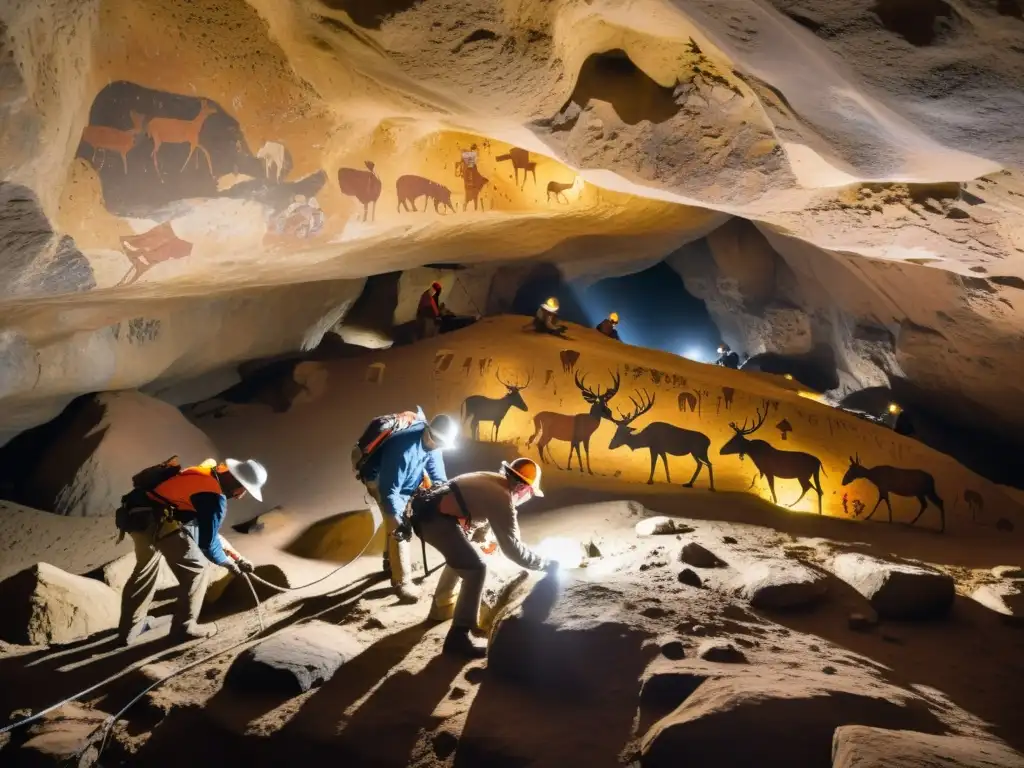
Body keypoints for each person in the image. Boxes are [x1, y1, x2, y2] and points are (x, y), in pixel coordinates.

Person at [416, 457, 557, 658]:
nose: (528, 497)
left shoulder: (492, 480)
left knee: (464, 555)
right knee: (476, 569)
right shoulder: (502, 497)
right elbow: (513, 549)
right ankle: (459, 637)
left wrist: (486, 540)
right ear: (524, 488)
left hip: (428, 513)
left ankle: (441, 609)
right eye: (530, 492)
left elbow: (475, 511)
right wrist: (544, 564)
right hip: (435, 521)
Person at [118, 458, 267, 646]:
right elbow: (208, 542)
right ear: (237, 482)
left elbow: (206, 531)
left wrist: (236, 556)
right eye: (244, 489)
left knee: (144, 571)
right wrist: (228, 564)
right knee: (197, 568)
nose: (241, 495)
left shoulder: (206, 474)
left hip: (136, 516)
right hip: (157, 521)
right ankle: (185, 627)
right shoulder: (213, 496)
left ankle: (129, 631)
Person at [363, 413, 460, 603]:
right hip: (381, 480)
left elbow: (438, 474)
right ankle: (402, 582)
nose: (439, 446)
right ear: (429, 433)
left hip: (406, 479)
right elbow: (390, 491)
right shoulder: (403, 449)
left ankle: (390, 561)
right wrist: (398, 521)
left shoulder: (435, 442)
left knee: (399, 520)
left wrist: (441, 495)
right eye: (437, 442)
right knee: (399, 527)